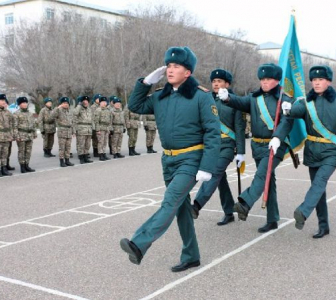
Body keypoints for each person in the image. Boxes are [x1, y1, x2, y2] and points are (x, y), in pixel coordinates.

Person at [120, 46, 220, 272]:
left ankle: (139, 243)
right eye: (169, 66)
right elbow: (134, 106)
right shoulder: (160, 97)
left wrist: (207, 166)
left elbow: (214, 133)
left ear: (188, 72)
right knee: (181, 208)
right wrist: (144, 83)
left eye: (177, 66)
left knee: (170, 200)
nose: (171, 70)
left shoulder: (201, 97)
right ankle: (191, 255)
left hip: (191, 159)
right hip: (169, 160)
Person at [274, 65, 336, 238]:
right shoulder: (305, 102)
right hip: (312, 151)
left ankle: (303, 212)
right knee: (318, 190)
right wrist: (287, 107)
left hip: (332, 151)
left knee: (319, 183)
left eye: (321, 80)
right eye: (314, 80)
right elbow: (294, 112)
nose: (317, 83)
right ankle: (323, 226)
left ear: (328, 81)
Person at [217, 63, 292, 233]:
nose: (264, 82)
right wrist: (227, 97)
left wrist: (278, 137)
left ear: (277, 80)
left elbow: (288, 121)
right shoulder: (254, 97)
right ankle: (272, 219)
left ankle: (245, 203)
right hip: (257, 144)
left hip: (276, 145)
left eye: (269, 79)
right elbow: (240, 102)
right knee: (268, 181)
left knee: (262, 175)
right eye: (262, 79)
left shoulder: (284, 99)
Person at [191, 68, 246, 226]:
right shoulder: (207, 99)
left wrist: (241, 152)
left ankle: (196, 205)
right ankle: (229, 212)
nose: (216, 84)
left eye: (219, 81)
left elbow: (240, 128)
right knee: (220, 180)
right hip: (210, 146)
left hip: (227, 146)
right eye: (214, 81)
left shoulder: (235, 102)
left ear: (227, 84)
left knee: (214, 173)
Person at [13, 96, 37, 173]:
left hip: (29, 135)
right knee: (22, 151)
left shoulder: (30, 113)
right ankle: (22, 166)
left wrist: (34, 132)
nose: (25, 104)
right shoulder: (16, 114)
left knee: (28, 151)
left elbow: (33, 124)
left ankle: (27, 165)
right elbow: (15, 126)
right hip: (21, 135)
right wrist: (17, 136)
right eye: (23, 103)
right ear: (19, 104)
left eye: (26, 102)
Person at [49, 97, 75, 167]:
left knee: (68, 147)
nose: (66, 104)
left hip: (69, 131)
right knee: (62, 148)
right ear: (61, 104)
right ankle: (61, 161)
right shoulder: (58, 110)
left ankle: (67, 160)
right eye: (64, 103)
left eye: (67, 103)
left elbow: (72, 121)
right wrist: (57, 108)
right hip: (62, 131)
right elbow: (51, 117)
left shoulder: (70, 111)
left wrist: (73, 131)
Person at [73, 95, 93, 164]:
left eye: (87, 101)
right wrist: (79, 105)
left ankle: (86, 157)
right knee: (81, 144)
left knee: (87, 145)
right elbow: (74, 114)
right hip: (81, 129)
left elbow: (91, 119)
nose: (86, 102)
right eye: (84, 101)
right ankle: (81, 158)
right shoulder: (79, 108)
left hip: (88, 129)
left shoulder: (89, 109)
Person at [94, 96, 112, 161]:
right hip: (101, 128)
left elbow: (110, 120)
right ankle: (101, 154)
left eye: (105, 102)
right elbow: (96, 121)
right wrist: (97, 129)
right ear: (100, 103)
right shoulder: (98, 110)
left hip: (106, 128)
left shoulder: (108, 110)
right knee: (100, 142)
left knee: (105, 142)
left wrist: (109, 129)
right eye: (103, 102)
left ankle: (104, 153)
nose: (104, 103)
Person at [0, 94, 14, 176]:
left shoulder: (7, 112)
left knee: (4, 154)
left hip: (6, 136)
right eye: (1, 101)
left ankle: (3, 168)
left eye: (4, 101)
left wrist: (11, 134)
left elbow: (12, 123)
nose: (3, 102)